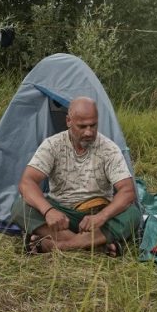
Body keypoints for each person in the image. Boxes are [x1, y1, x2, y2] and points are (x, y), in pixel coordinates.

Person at [10, 96, 140, 256]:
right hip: (61, 216)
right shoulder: (52, 145)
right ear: (68, 121)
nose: (89, 132)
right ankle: (95, 246)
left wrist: (102, 216)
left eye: (93, 125)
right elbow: (27, 182)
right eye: (82, 126)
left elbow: (127, 191)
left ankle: (53, 245)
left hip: (96, 217)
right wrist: (48, 211)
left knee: (133, 214)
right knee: (19, 207)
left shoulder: (109, 149)